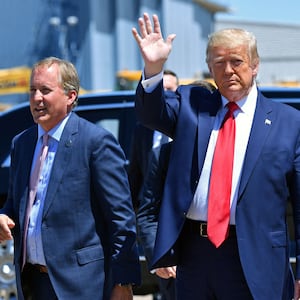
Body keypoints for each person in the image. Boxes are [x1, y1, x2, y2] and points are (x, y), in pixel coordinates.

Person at [132, 13, 299, 299]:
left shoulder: (289, 122)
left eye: (237, 61)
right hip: (196, 256)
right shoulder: (192, 105)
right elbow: (151, 113)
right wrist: (153, 67)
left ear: (255, 65)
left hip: (257, 258)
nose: (229, 70)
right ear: (210, 68)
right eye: (219, 63)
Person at [0, 57, 140, 300]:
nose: (36, 98)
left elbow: (121, 218)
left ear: (71, 96)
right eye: (33, 90)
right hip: (32, 282)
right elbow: (17, 202)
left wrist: (122, 280)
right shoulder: (21, 144)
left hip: (82, 285)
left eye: (45, 90)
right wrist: (4, 215)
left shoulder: (95, 142)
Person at [137, 81, 216, 300]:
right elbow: (148, 211)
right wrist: (159, 256)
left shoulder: (231, 151)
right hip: (178, 265)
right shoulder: (164, 154)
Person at [128, 69, 178, 211]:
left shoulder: (186, 125)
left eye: (170, 89)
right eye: (161, 89)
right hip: (151, 206)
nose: (165, 93)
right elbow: (135, 171)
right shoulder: (142, 128)